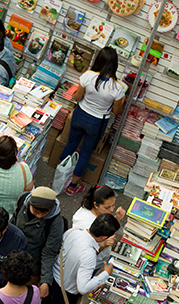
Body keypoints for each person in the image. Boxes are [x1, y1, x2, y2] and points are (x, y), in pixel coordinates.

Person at [58, 47, 126, 196]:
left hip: (80, 114)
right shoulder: (118, 88)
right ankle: (73, 186)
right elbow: (115, 111)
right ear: (115, 65)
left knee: (71, 144)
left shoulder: (87, 76)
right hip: (97, 122)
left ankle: (59, 176)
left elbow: (77, 98)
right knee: (86, 152)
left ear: (98, 60)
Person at [13, 187, 67, 299]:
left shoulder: (56, 222)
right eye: (36, 211)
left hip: (33, 265)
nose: (39, 216)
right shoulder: (22, 201)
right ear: (29, 204)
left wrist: (45, 281)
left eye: (45, 213)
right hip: (12, 255)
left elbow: (49, 252)